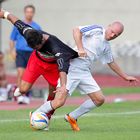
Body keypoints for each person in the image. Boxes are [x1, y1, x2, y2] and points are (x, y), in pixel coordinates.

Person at [32, 22, 138, 131]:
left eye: (116, 35)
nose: (112, 36)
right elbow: (76, 30)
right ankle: (36, 113)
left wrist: (125, 76)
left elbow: (111, 62)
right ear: (109, 26)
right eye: (112, 32)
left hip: (84, 72)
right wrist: (80, 48)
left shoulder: (106, 46)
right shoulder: (97, 30)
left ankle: (72, 117)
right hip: (72, 68)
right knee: (59, 101)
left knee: (99, 99)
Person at [0, 9, 79, 121]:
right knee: (23, 90)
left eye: (36, 47)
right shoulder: (28, 32)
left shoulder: (56, 47)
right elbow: (15, 20)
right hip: (36, 61)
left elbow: (62, 67)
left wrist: (63, 85)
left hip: (52, 66)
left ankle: (46, 114)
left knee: (55, 91)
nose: (35, 48)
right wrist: (4, 14)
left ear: (42, 41)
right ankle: (19, 89)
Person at [9, 5, 42, 104]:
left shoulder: (36, 27)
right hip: (20, 52)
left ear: (33, 13)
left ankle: (27, 95)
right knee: (20, 73)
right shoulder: (18, 25)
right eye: (27, 12)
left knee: (30, 75)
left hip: (32, 53)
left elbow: (40, 42)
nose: (29, 14)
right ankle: (20, 96)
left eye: (31, 12)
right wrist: (12, 51)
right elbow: (12, 39)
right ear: (25, 12)